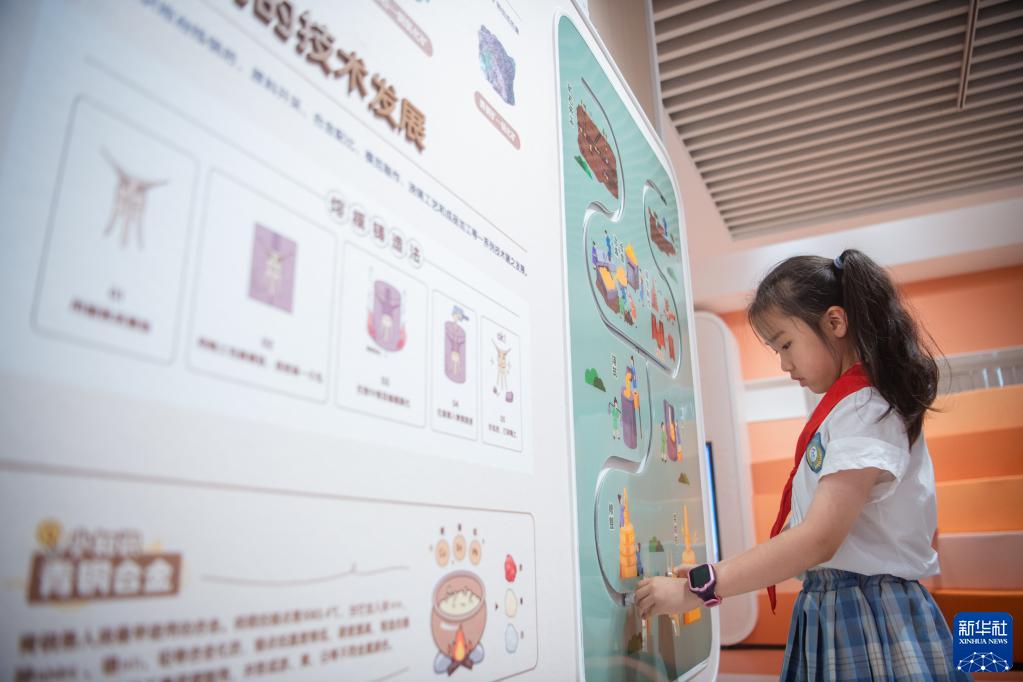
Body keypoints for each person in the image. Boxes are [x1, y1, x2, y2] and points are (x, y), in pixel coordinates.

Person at [636, 250, 964, 680]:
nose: (784, 364)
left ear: (835, 322)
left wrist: (701, 586)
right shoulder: (848, 411)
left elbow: (817, 540)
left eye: (786, 344)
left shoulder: (864, 410)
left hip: (868, 615)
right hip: (844, 607)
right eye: (777, 350)